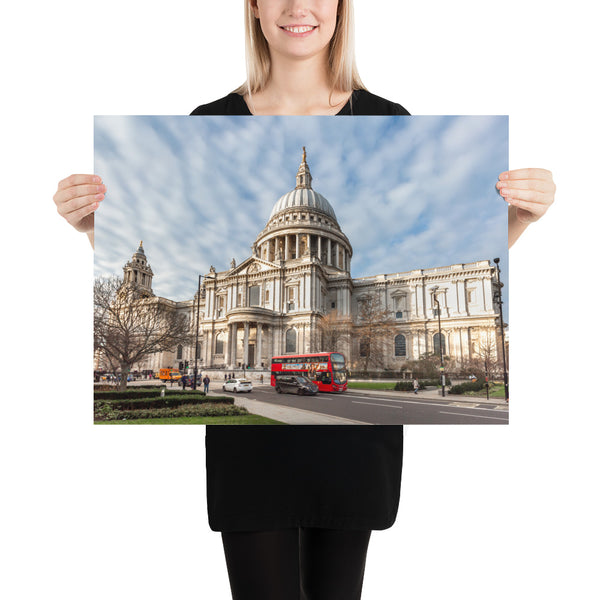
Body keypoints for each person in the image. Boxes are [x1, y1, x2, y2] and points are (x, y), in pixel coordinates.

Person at [53, 2, 555, 598]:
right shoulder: (208, 119)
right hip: (251, 459)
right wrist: (91, 230)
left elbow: (490, 255)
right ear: (254, 10)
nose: (298, 5)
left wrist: (517, 221)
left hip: (350, 455)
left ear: (343, 10)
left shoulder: (385, 118)